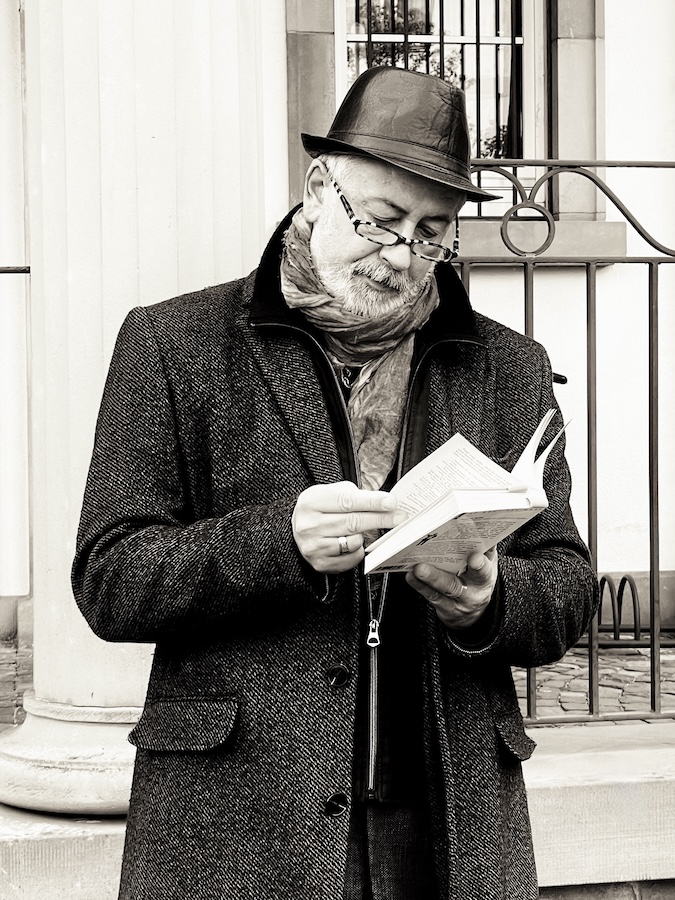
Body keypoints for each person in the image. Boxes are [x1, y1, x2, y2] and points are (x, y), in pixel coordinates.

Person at [72, 66, 598, 900]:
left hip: (445, 817)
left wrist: (488, 601)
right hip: (239, 821)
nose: (400, 255)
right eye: (381, 220)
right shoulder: (173, 343)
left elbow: (566, 587)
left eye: (431, 233)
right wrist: (278, 543)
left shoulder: (508, 366)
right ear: (318, 188)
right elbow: (109, 577)